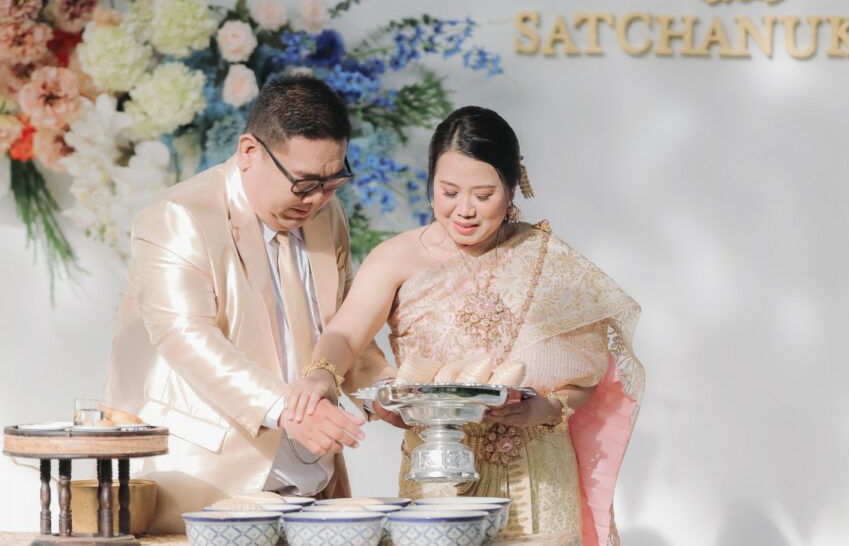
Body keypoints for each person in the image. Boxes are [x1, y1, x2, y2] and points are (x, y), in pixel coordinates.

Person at [284, 106, 644, 544]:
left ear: (513, 188)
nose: (465, 210)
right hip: (438, 474)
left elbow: (584, 377)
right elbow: (346, 333)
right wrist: (320, 373)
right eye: (449, 192)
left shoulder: (545, 260)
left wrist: (545, 409)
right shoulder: (396, 258)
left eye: (484, 194)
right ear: (431, 183)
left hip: (538, 480)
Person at [103, 74, 395, 533]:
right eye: (304, 183)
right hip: (204, 482)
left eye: (333, 181)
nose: (316, 200)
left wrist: (390, 395)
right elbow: (186, 337)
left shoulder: (326, 214)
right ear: (249, 152)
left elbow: (343, 321)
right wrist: (289, 410)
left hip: (313, 481)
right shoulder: (178, 217)